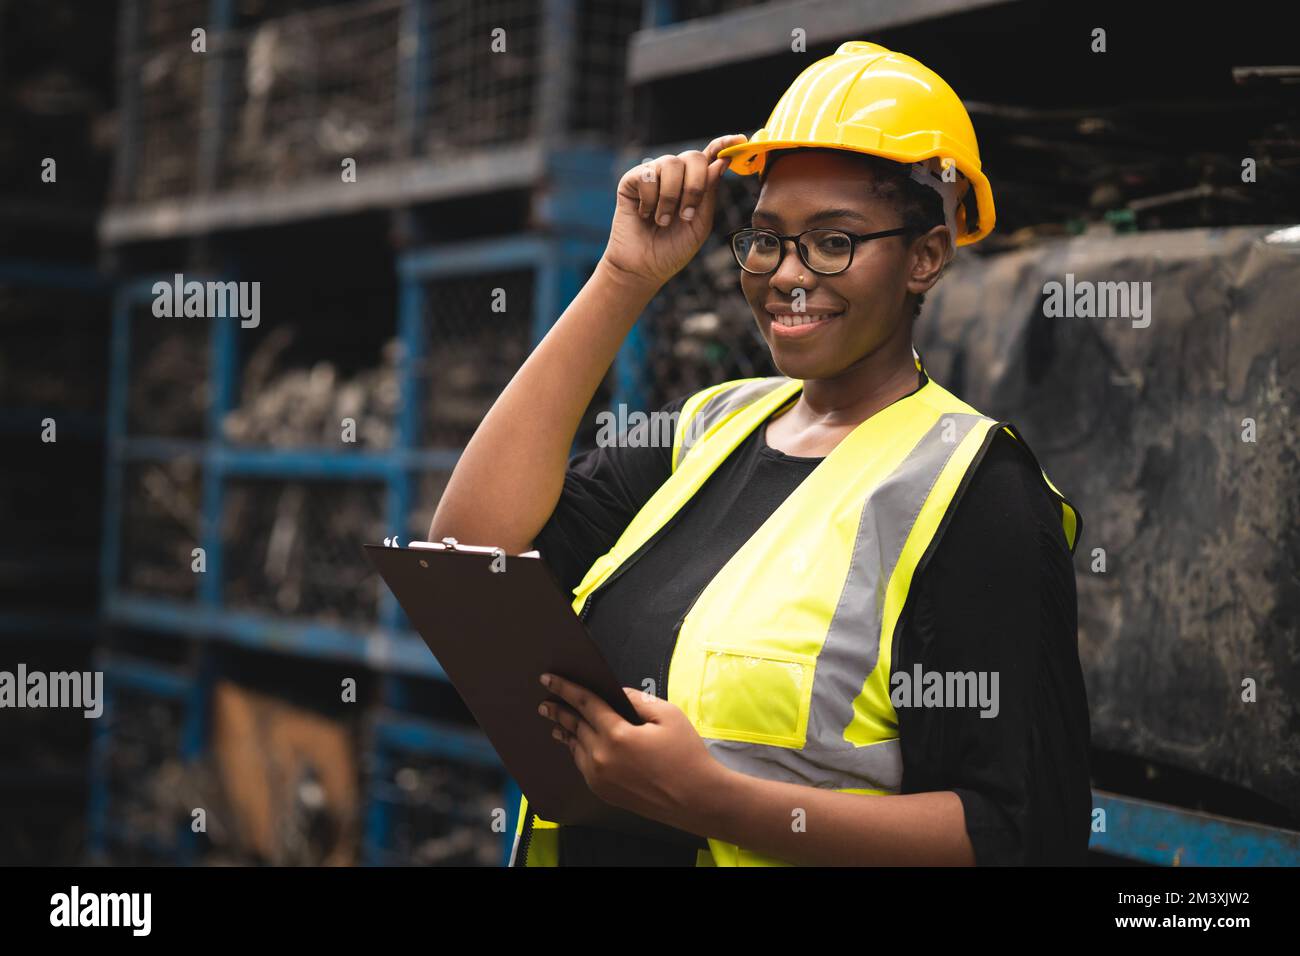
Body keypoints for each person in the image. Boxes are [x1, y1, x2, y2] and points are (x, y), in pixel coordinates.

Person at [429, 41, 1091, 866]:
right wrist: (623, 276)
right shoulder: (705, 433)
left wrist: (715, 802)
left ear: (925, 257)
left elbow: (1022, 835)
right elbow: (471, 552)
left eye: (834, 241)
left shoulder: (976, 495)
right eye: (768, 239)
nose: (787, 275)